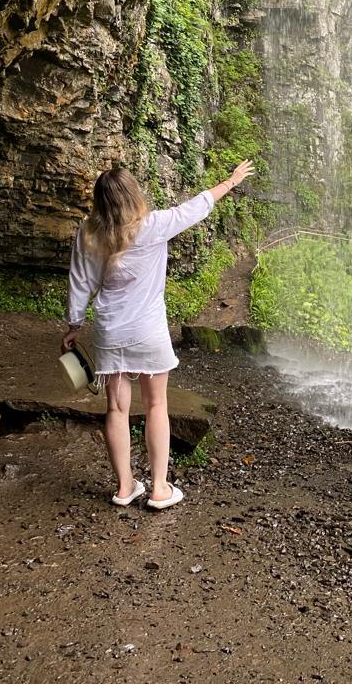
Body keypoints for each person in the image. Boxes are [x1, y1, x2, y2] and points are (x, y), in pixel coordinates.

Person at [61, 160, 255, 509]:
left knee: (116, 409)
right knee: (155, 406)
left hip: (110, 331)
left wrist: (74, 325)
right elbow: (198, 206)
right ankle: (159, 488)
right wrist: (231, 180)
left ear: (101, 201)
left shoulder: (89, 232)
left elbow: (80, 281)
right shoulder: (155, 225)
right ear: (134, 196)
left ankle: (124, 488)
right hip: (148, 330)